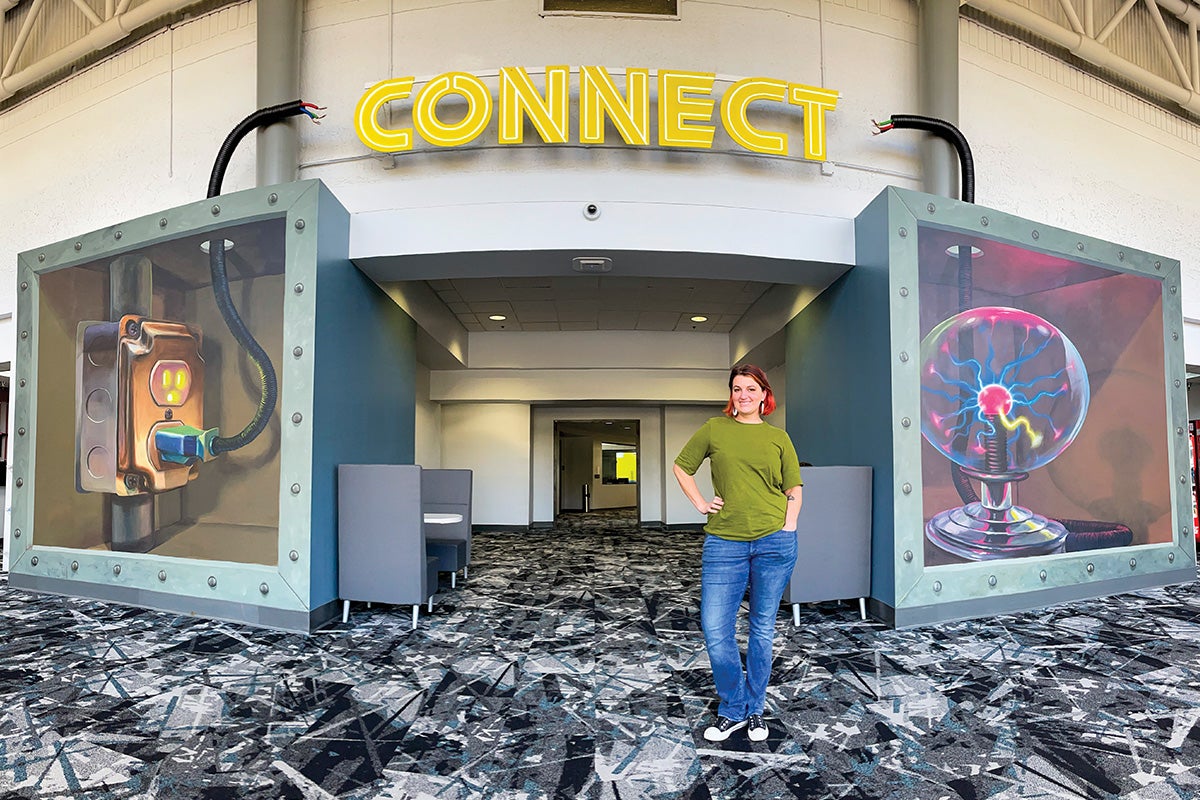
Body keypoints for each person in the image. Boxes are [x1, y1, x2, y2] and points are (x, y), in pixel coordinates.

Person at [673, 364, 803, 743]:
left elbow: (793, 486)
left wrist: (789, 524)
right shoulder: (715, 429)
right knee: (716, 629)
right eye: (736, 388)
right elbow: (682, 467)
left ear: (764, 394)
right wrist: (699, 502)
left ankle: (755, 708)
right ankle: (734, 707)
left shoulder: (779, 438)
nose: (743, 394)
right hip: (724, 541)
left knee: (762, 628)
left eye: (750, 388)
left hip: (774, 541)